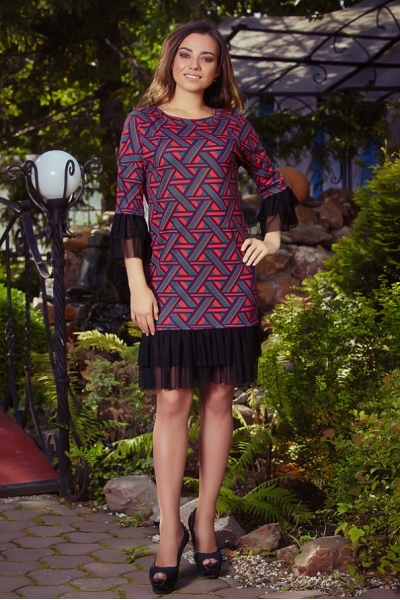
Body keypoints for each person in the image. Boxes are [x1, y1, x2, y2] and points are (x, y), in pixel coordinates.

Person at [109, 20, 298, 595]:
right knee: (172, 401)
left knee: (219, 398)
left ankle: (204, 521)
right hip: (167, 281)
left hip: (227, 280)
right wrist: (138, 285)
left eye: (207, 58)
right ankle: (170, 529)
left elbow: (273, 182)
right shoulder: (141, 124)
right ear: (171, 61)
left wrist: (271, 239)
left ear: (219, 69)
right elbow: (129, 209)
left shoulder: (232, 125)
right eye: (186, 55)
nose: (194, 65)